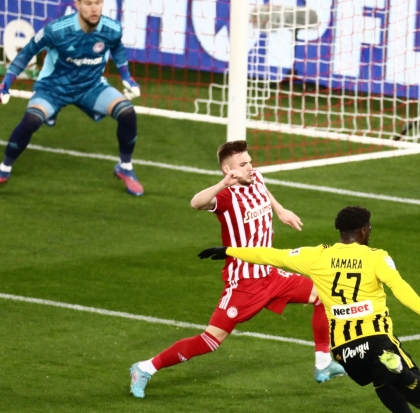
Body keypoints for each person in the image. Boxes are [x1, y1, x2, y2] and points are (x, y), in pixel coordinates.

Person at [198, 206, 420, 413]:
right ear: (363, 231)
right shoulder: (376, 257)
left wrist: (228, 250)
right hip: (376, 338)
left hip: (343, 349)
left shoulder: (317, 256)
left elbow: (272, 255)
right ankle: (403, 373)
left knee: (381, 380)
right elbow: (398, 286)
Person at [128, 140, 345, 398]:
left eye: (249, 161)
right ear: (227, 169)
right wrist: (223, 183)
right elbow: (196, 203)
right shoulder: (225, 197)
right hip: (244, 284)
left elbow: (263, 189)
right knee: (210, 340)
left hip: (271, 274)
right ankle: (145, 368)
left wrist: (280, 209)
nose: (250, 167)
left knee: (324, 294)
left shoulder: (256, 177)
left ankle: (323, 363)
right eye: (243, 164)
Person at [0, 0, 144, 196]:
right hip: (53, 88)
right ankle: (3, 170)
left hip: (90, 86)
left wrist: (126, 76)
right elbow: (27, 52)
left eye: (98, 3)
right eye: (88, 3)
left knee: (127, 112)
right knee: (31, 120)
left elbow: (117, 48)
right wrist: (6, 82)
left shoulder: (112, 29)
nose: (94, 9)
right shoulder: (57, 30)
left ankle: (125, 167)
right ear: (77, 5)